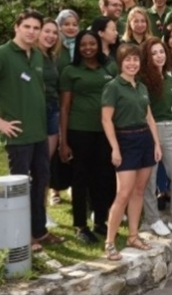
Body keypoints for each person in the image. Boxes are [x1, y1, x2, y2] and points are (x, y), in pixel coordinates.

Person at [0, 9, 64, 251]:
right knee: (20, 187)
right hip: (17, 135)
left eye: (36, 28)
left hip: (39, 132)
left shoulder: (36, 55)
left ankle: (39, 232)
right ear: (16, 27)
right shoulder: (3, 54)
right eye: (27, 27)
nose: (32, 32)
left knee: (41, 180)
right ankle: (22, 237)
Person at [101, 44, 162, 261]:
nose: (132, 63)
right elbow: (106, 119)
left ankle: (133, 236)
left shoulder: (141, 87)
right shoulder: (113, 87)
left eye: (136, 59)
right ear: (120, 62)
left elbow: (149, 117)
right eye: (128, 59)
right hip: (125, 140)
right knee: (123, 193)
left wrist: (156, 144)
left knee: (139, 190)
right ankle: (109, 242)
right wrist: (115, 147)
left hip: (144, 139)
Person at [59, 30, 117, 244]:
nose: (88, 48)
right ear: (78, 47)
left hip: (106, 131)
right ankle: (80, 225)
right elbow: (64, 107)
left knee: (104, 177)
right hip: (80, 130)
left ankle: (100, 220)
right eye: (83, 44)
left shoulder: (109, 67)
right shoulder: (70, 71)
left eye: (92, 43)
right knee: (80, 178)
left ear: (98, 45)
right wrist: (63, 142)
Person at [139, 37, 172, 244]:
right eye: (154, 53)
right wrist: (153, 138)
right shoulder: (143, 80)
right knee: (150, 180)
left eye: (161, 51)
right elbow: (145, 110)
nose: (159, 56)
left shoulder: (168, 76)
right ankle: (153, 219)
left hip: (169, 130)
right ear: (147, 57)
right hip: (150, 130)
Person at [37, 19, 63, 215]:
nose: (51, 36)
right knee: (35, 164)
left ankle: (42, 211)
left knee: (45, 163)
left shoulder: (51, 56)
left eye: (54, 32)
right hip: (35, 112)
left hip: (53, 110)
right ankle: (35, 211)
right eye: (47, 31)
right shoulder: (30, 55)